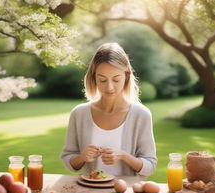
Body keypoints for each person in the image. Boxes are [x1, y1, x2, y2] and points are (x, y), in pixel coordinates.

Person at [61, 42, 157, 177]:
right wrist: (83, 157)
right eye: (102, 80)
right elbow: (69, 160)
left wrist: (124, 156)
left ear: (126, 76)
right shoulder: (79, 113)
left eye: (116, 80)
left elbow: (150, 166)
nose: (109, 87)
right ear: (94, 78)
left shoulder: (141, 114)